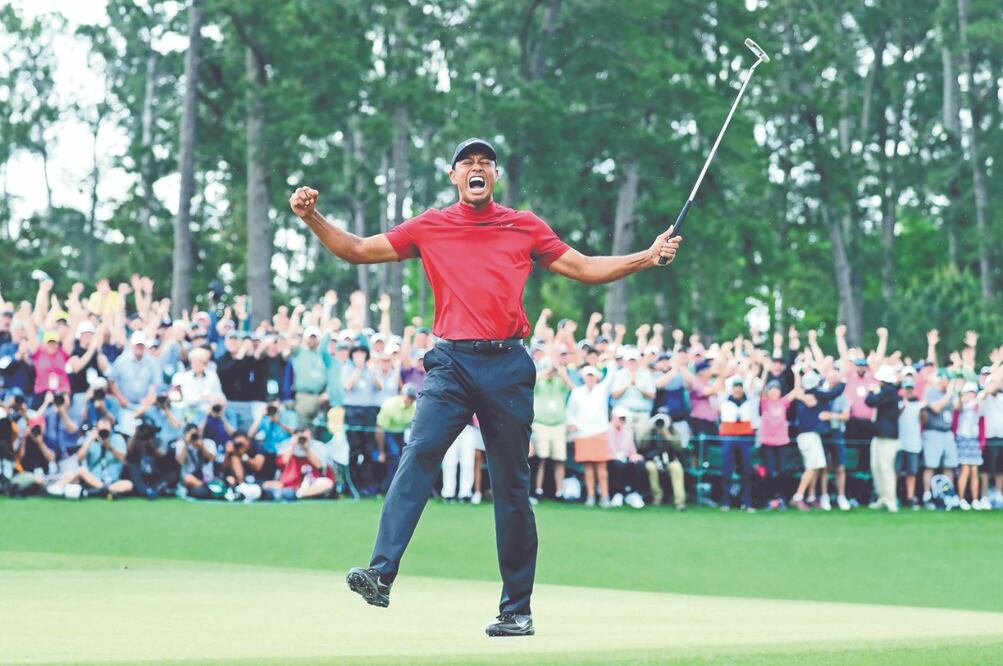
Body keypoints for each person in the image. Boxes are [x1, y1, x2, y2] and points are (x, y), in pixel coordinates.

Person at [290, 136, 682, 636]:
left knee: (512, 486)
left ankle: (517, 611)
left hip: (507, 365)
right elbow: (357, 250)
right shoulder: (431, 225)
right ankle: (380, 575)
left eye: (485, 163)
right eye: (466, 163)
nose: (476, 169)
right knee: (419, 455)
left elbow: (583, 269)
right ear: (454, 177)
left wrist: (647, 257)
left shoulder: (524, 225)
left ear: (494, 176)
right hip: (450, 363)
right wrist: (312, 217)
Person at [567, 365, 617, 507]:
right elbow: (570, 412)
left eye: (592, 376)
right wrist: (573, 423)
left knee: (601, 467)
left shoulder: (602, 390)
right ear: (584, 377)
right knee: (588, 467)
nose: (590, 378)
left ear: (596, 377)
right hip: (583, 433)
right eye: (587, 376)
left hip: (600, 432)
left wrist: (609, 360)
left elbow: (611, 376)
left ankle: (605, 497)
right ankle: (591, 496)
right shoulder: (577, 392)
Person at [530, 349, 573, 501]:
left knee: (559, 459)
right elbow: (531, 382)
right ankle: (539, 489)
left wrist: (561, 373)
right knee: (541, 458)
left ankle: (559, 491)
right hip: (541, 424)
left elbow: (573, 389)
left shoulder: (560, 382)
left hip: (558, 425)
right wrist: (547, 370)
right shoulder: (539, 381)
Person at [53, 418, 132, 498]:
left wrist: (109, 447)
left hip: (113, 480)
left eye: (106, 431)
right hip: (94, 479)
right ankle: (54, 488)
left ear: (111, 430)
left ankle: (94, 492)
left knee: (128, 484)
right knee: (81, 470)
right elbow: (79, 458)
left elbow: (123, 459)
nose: (103, 434)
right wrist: (90, 439)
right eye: (101, 431)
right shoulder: (91, 439)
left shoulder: (117, 439)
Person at [865, 365, 902, 512]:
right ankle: (882, 497)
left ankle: (891, 500)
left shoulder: (890, 392)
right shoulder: (888, 391)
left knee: (886, 468)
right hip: (879, 435)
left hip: (888, 437)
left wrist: (870, 392)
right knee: (876, 467)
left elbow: (870, 401)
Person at [262, 426, 335, 499]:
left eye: (305, 436)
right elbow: (282, 463)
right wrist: (292, 445)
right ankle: (291, 493)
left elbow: (319, 466)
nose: (302, 439)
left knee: (327, 483)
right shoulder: (287, 444)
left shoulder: (318, 446)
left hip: (311, 482)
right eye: (300, 437)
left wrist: (306, 449)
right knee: (266, 485)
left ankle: (297, 495)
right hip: (289, 483)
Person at [920, 369, 958, 509]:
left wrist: (956, 393)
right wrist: (949, 394)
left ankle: (948, 494)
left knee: (950, 464)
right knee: (931, 465)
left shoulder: (951, 394)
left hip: (947, 432)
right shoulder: (931, 392)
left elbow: (958, 407)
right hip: (933, 432)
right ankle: (927, 495)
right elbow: (935, 408)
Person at [374, 383, 418, 494]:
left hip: (401, 433)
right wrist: (381, 451)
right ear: (403, 395)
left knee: (403, 457)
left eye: (413, 398)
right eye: (409, 397)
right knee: (394, 455)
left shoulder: (415, 407)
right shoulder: (390, 405)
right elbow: (379, 429)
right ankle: (389, 487)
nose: (410, 400)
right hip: (387, 432)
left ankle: (396, 486)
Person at [954, 382, 986, 510]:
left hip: (974, 440)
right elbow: (959, 406)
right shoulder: (961, 404)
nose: (971, 395)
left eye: (973, 392)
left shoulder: (978, 405)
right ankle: (961, 499)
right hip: (962, 439)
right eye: (968, 392)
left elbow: (980, 413)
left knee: (974, 471)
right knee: (965, 470)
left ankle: (975, 500)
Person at [607, 406, 646, 509]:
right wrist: (616, 456)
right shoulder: (606, 431)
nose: (622, 421)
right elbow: (606, 450)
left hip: (625, 458)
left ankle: (633, 493)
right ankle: (617, 493)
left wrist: (633, 455)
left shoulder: (628, 432)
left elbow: (632, 450)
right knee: (618, 464)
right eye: (620, 418)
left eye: (623, 418)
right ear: (613, 418)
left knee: (639, 463)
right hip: (611, 460)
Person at [897, 376, 924, 509]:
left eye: (910, 389)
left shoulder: (918, 405)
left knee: (911, 472)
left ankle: (910, 497)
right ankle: (893, 496)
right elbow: (896, 415)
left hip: (913, 443)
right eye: (906, 389)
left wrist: (923, 408)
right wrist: (904, 404)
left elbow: (923, 419)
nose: (908, 391)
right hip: (899, 443)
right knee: (896, 471)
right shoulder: (899, 403)